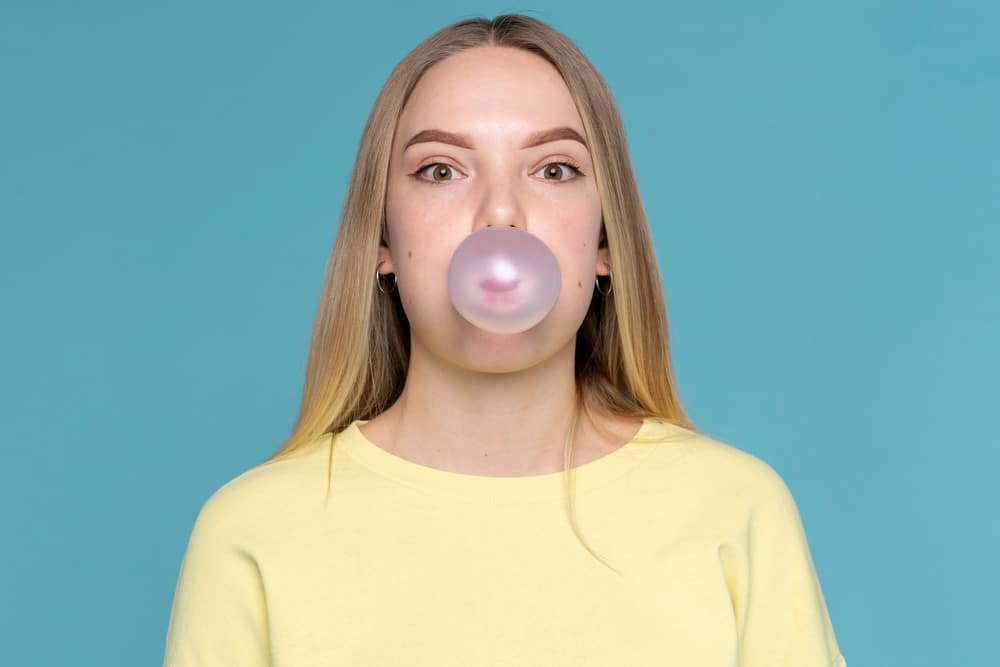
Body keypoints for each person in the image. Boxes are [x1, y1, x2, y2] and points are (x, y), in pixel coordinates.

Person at [162, 14, 847, 666]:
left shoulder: (733, 509)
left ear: (605, 240)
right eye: (440, 170)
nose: (500, 213)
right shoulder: (252, 533)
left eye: (554, 170)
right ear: (382, 240)